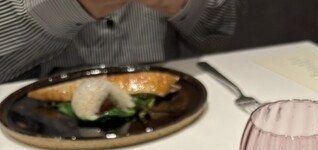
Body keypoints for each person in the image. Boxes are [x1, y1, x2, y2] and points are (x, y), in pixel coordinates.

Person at [0, 0, 240, 83]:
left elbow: (219, 36)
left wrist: (181, 4)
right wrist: (66, 7)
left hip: (170, 100)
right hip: (39, 116)